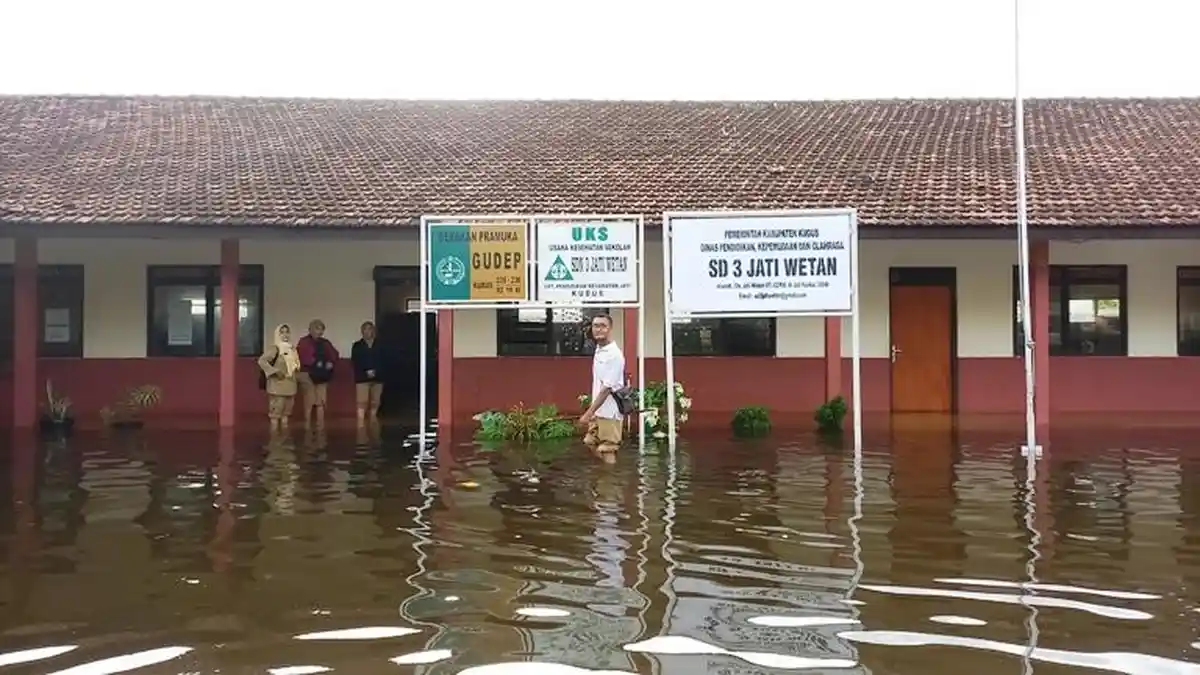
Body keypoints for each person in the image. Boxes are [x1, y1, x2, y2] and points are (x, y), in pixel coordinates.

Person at [579, 313, 625, 454]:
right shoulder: (599, 349)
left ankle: (612, 475)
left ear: (610, 329)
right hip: (598, 410)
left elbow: (606, 389)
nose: (599, 329)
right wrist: (593, 412)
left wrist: (588, 413)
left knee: (607, 449)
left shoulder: (615, 355)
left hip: (610, 411)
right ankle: (604, 475)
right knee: (590, 441)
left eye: (603, 326)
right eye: (595, 326)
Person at [296, 319, 340, 429]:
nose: (319, 332)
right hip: (307, 373)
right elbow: (301, 356)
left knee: (321, 399)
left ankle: (320, 424)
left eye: (321, 329)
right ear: (310, 329)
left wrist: (330, 362)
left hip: (322, 374)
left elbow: (334, 354)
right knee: (309, 399)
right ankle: (307, 423)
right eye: (316, 328)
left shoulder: (325, 343)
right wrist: (316, 363)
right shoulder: (303, 341)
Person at [258, 323, 302, 433]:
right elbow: (262, 361)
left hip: (290, 386)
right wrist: (275, 371)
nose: (285, 335)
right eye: (282, 332)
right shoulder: (275, 348)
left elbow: (296, 366)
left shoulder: (292, 349)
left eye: (287, 332)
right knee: (275, 415)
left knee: (286, 415)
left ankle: (284, 440)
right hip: (277, 387)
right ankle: (274, 442)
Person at [351, 320, 384, 427]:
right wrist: (367, 370)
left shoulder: (381, 344)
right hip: (362, 377)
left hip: (378, 377)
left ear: (373, 331)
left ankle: (373, 418)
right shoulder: (357, 345)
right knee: (362, 401)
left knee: (376, 400)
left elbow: (385, 359)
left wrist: (375, 371)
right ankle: (360, 422)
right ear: (362, 332)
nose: (367, 332)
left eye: (369, 329)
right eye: (365, 329)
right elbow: (356, 361)